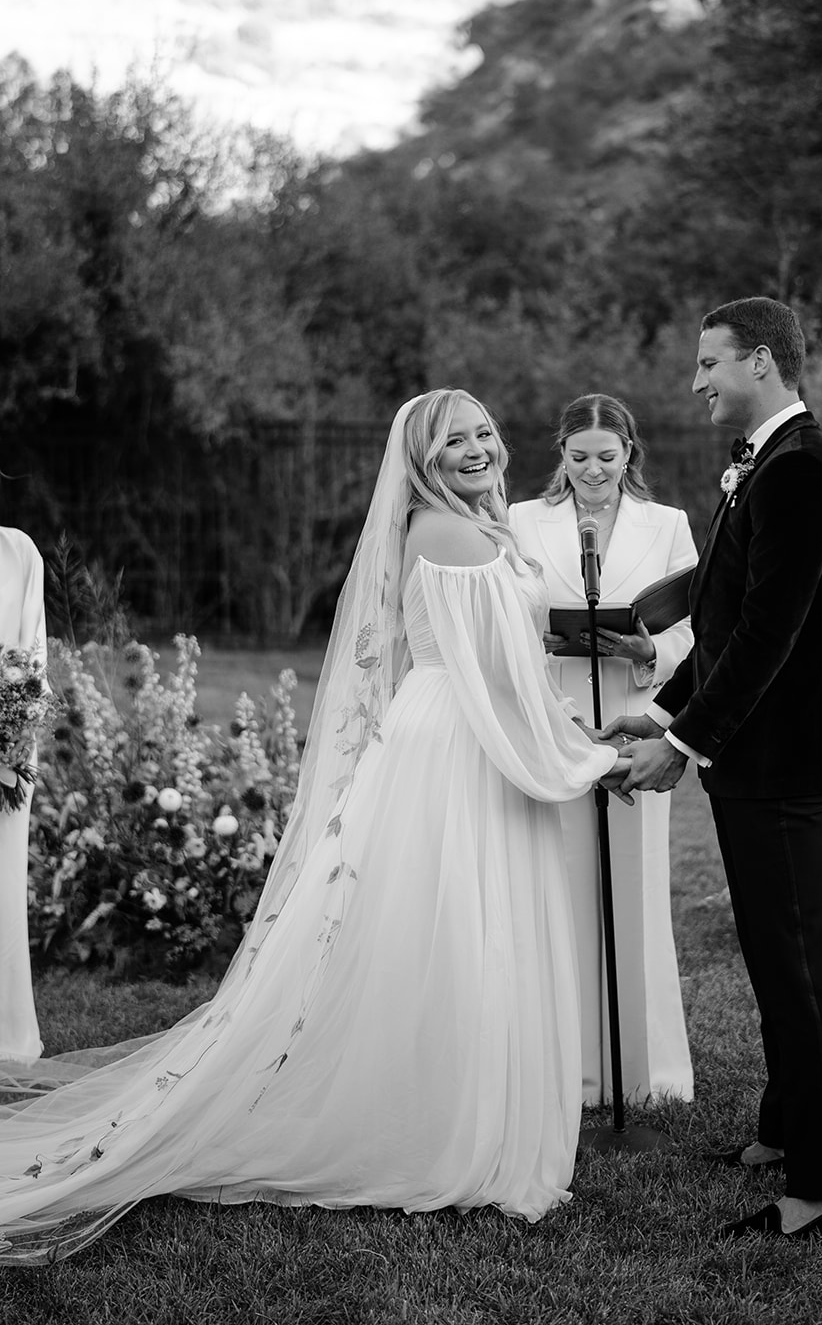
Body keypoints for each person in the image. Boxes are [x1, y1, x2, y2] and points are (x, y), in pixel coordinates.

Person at [0, 390, 626, 1265]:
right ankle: (450, 1132)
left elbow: (513, 671)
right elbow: (497, 680)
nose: (477, 449)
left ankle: (459, 1108)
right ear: (421, 460)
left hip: (467, 735)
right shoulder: (446, 535)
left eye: (483, 433)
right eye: (454, 441)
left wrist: (577, 735)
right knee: (457, 932)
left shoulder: (476, 527)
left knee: (461, 933)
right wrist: (586, 756)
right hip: (457, 745)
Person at [604, 298, 822, 1240]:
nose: (698, 380)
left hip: (780, 756)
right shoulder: (767, 467)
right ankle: (784, 1127)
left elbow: (765, 640)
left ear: (760, 362)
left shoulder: (798, 475)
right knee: (770, 955)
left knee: (796, 971)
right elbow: (723, 617)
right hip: (754, 749)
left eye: (709, 362)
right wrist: (669, 709)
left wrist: (678, 747)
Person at [510, 394, 696, 1106]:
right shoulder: (524, 522)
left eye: (607, 457)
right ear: (561, 454)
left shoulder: (668, 526)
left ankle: (638, 1067)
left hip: (633, 717)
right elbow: (504, 617)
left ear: (629, 456)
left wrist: (650, 649)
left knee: (633, 884)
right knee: (556, 884)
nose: (593, 470)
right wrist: (548, 642)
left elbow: (694, 629)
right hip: (553, 717)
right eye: (579, 456)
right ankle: (563, 1067)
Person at [0, 527, 46, 1067]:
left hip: (10, 743)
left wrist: (14, 733)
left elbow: (34, 657)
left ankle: (8, 1028)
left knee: (4, 879)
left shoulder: (19, 551)